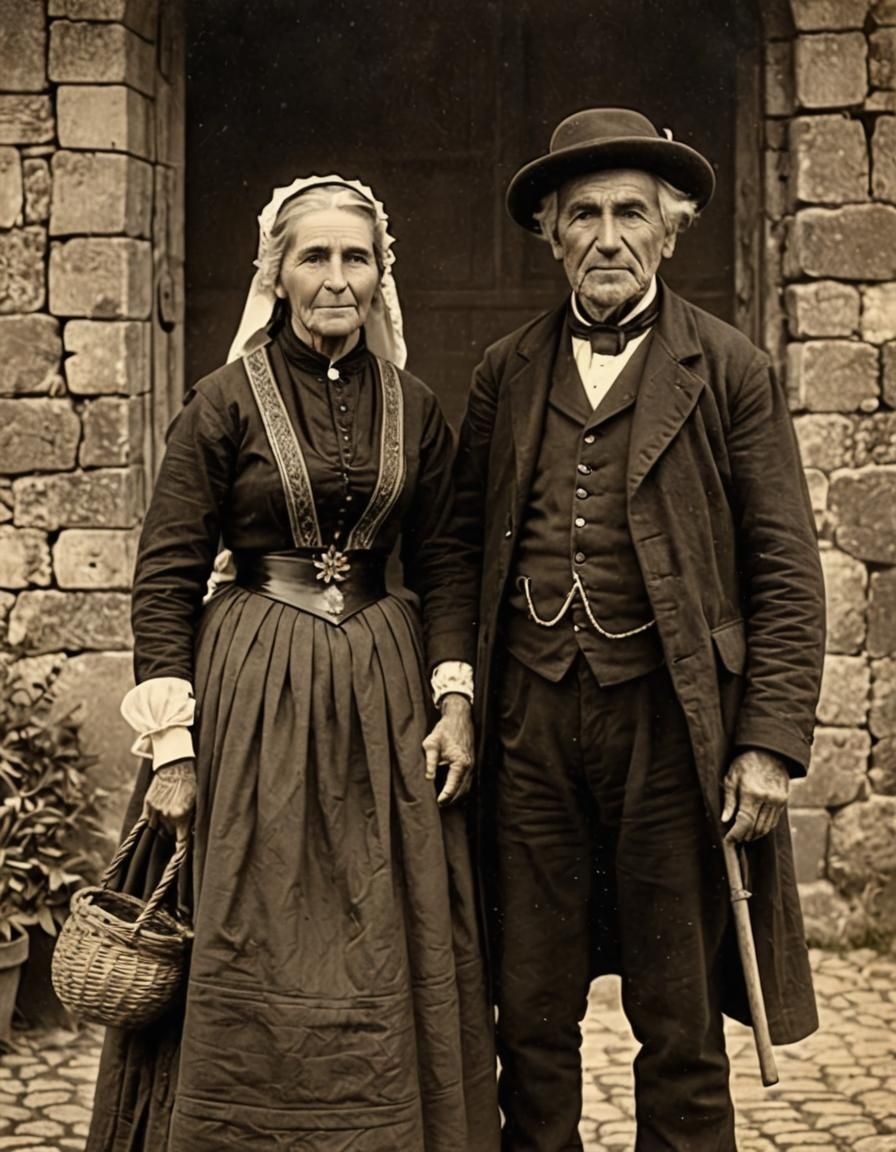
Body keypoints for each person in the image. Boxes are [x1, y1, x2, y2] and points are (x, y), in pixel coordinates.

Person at [422, 109, 826, 1151]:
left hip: (670, 727)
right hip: (530, 728)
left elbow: (784, 568)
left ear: (668, 231)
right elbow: (458, 551)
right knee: (532, 1012)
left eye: (630, 215)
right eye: (584, 215)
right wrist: (457, 695)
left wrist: (768, 743)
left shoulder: (728, 369)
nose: (606, 237)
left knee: (678, 1015)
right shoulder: (505, 370)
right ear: (551, 233)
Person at [86, 175, 500, 1152]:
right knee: (251, 920)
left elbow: (444, 559)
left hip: (383, 706)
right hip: (251, 703)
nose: (334, 278)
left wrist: (453, 699)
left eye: (355, 258)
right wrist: (175, 751)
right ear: (275, 271)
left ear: (378, 275)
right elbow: (166, 575)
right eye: (313, 256)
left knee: (379, 929)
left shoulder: (415, 407)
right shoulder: (222, 404)